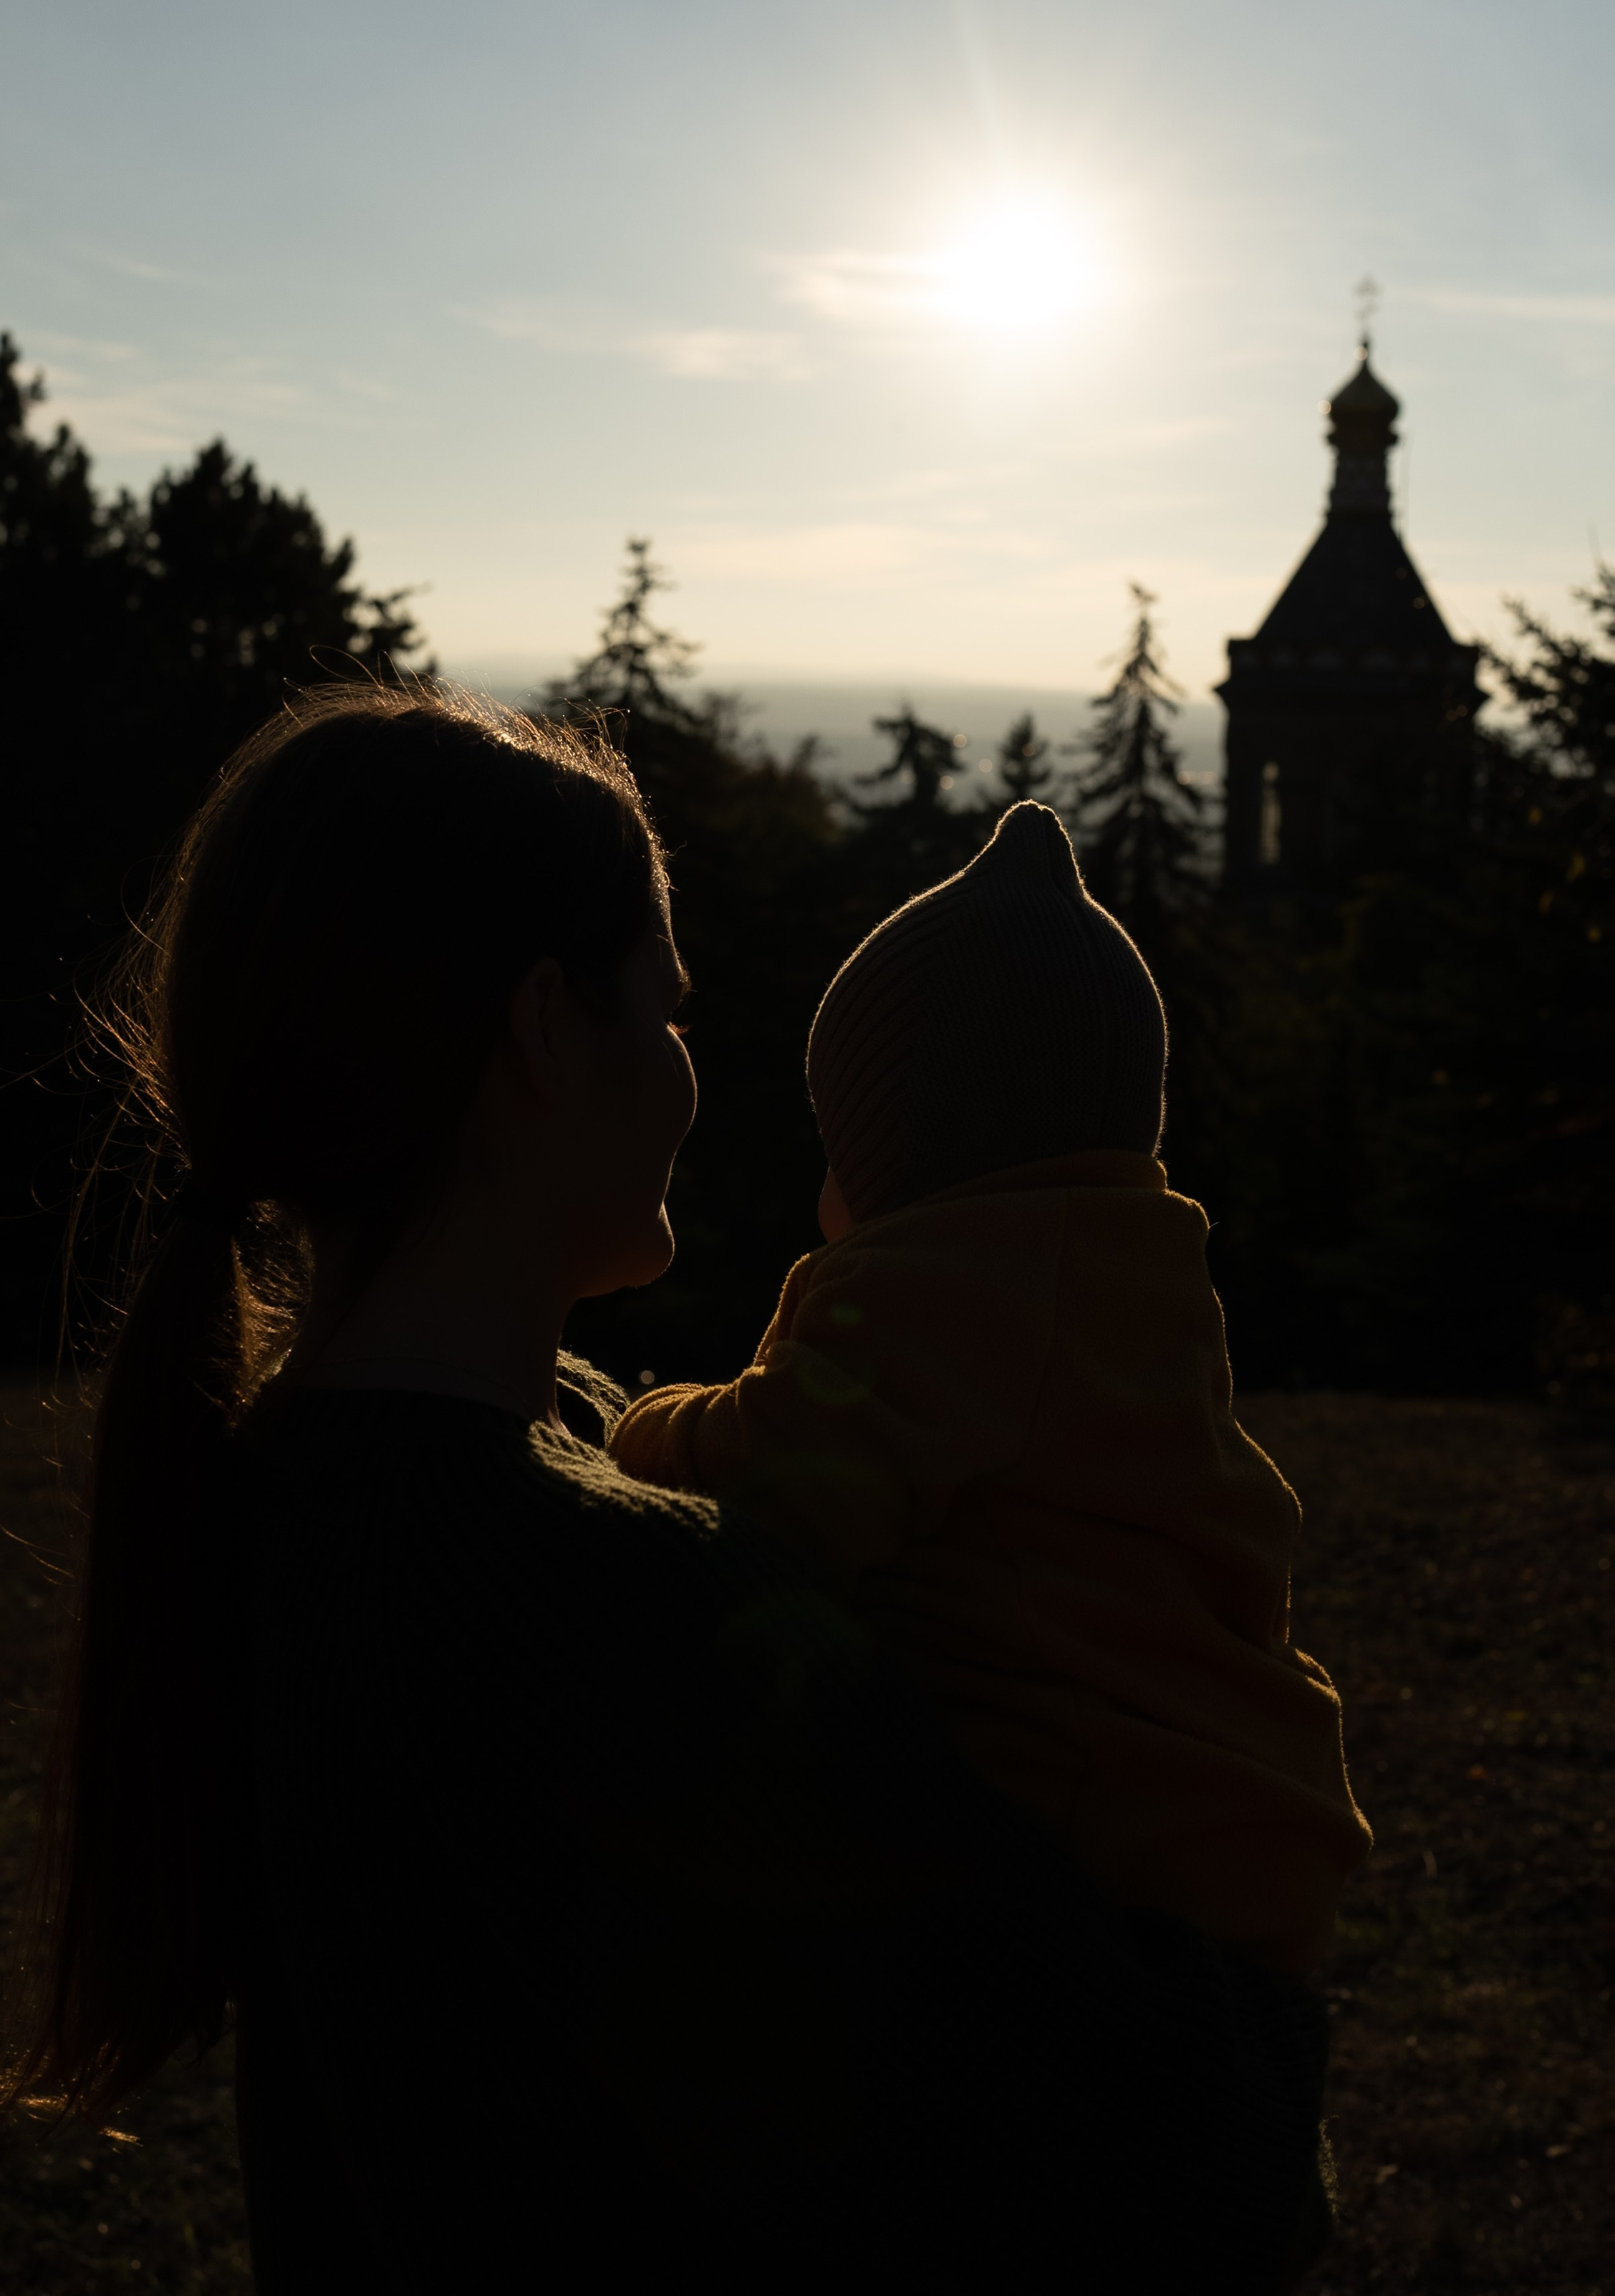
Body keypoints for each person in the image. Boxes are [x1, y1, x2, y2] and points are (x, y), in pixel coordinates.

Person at [4, 683, 1339, 2291]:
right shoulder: (638, 1608)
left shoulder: (278, 1486)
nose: (701, 1076)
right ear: (548, 1028)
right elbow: (1197, 2146)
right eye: (670, 1012)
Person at [611, 801, 1371, 1974]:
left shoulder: (961, 1287)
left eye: (839, 1142)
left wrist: (643, 1429)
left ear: (901, 1158)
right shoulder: (1129, 1279)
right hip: (1232, 1834)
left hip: (1110, 1864)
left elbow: (786, 1483)